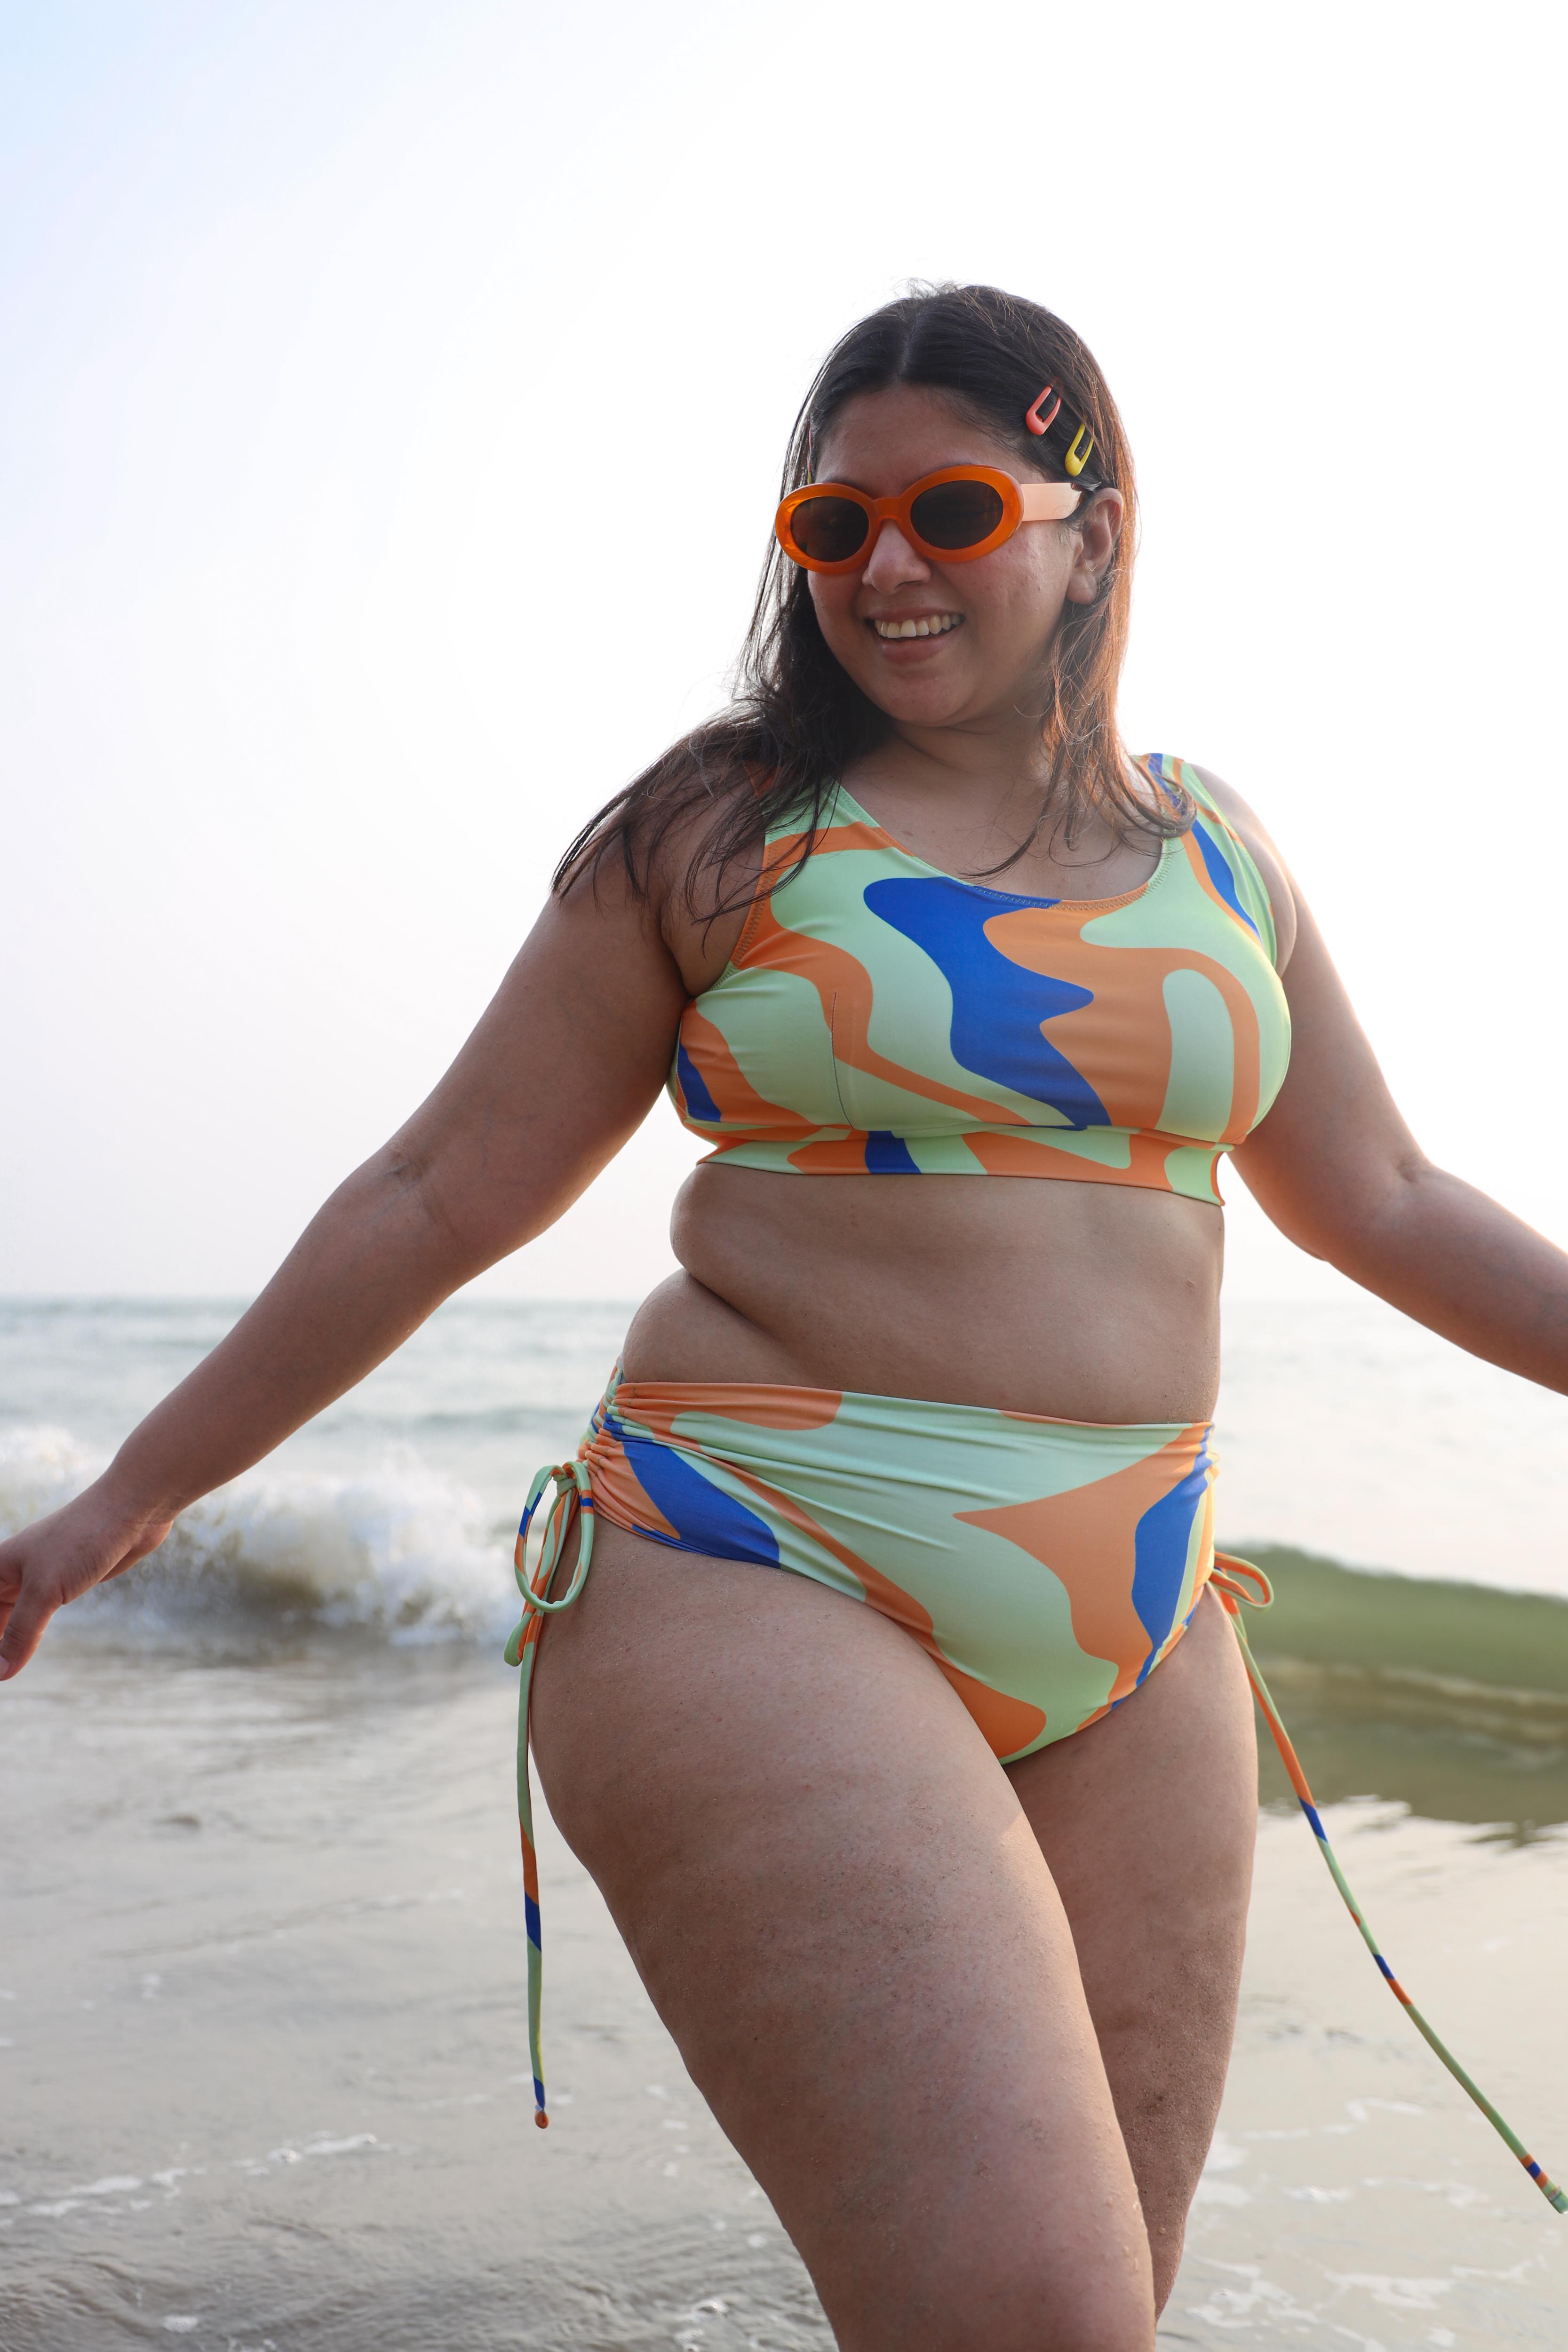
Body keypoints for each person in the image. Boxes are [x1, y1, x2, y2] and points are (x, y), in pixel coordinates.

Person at [5, 283, 1567, 2352]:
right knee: (1032, 2311)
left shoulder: (1220, 847)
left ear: (1088, 525)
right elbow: (434, 1188)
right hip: (763, 1562)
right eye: (834, 529)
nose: (886, 566)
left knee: (1100, 2309)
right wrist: (119, 1503)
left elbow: (1382, 1195)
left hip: (1141, 1611)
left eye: (948, 507)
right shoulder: (719, 827)